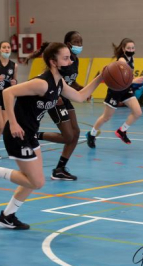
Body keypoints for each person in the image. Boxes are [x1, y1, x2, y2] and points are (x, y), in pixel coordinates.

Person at [0, 42, 103, 229]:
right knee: (36, 181)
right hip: (18, 134)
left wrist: (101, 78)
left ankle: (7, 216)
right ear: (53, 62)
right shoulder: (42, 83)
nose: (70, 61)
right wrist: (12, 122)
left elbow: (80, 96)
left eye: (70, 57)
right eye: (66, 58)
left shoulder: (58, 82)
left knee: (32, 180)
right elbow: (8, 92)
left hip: (30, 134)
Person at [29, 31, 84, 181]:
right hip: (54, 98)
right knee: (68, 136)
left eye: (81, 42)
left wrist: (80, 88)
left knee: (76, 132)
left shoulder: (75, 61)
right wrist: (57, 95)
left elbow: (70, 81)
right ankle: (35, 135)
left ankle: (60, 168)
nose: (79, 45)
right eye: (76, 42)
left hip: (65, 97)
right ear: (68, 44)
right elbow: (52, 81)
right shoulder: (59, 61)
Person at [86, 38, 143, 148]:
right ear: (123, 49)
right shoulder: (121, 60)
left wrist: (135, 79)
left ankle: (122, 131)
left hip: (126, 89)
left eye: (133, 48)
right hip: (116, 91)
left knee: (137, 112)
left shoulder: (132, 58)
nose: (131, 50)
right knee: (106, 117)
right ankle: (91, 134)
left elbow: (127, 77)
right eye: (128, 48)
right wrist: (134, 81)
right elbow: (121, 80)